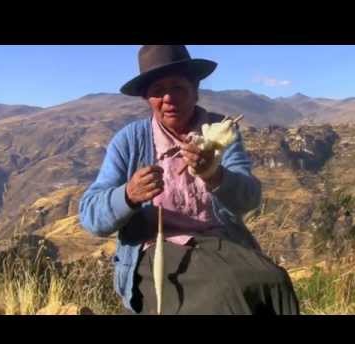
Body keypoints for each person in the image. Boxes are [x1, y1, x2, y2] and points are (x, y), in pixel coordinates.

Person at [79, 45, 300, 315]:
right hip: (158, 250)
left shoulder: (221, 130)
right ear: (147, 98)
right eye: (158, 90)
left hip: (221, 243)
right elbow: (91, 217)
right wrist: (128, 195)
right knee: (224, 293)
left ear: (195, 89)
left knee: (274, 281)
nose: (168, 98)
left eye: (178, 87)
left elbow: (249, 198)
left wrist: (214, 175)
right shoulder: (129, 141)